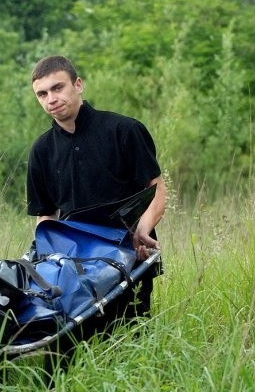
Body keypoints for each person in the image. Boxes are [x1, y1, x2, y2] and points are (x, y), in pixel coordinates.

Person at [26, 56, 166, 372]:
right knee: (62, 354)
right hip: (73, 269)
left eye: (57, 88)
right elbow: (46, 219)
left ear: (78, 85)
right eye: (42, 94)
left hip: (131, 257)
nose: (51, 99)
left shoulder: (124, 130)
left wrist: (144, 226)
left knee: (129, 350)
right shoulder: (42, 150)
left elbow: (157, 190)